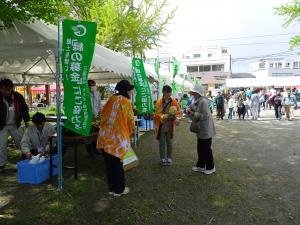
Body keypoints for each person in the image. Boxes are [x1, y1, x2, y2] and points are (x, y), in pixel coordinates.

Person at [97, 79, 135, 197]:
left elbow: (103, 114)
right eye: (130, 90)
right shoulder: (126, 102)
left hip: (105, 136)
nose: (131, 92)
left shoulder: (111, 99)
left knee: (109, 164)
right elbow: (131, 121)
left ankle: (112, 188)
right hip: (117, 139)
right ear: (127, 90)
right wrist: (131, 131)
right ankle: (119, 189)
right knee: (118, 164)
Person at [0, 79, 30, 173]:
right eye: (4, 89)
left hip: (15, 124)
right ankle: (1, 164)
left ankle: (27, 159)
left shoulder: (18, 96)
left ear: (12, 88)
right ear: (1, 88)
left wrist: (26, 121)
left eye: (9, 89)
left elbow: (24, 109)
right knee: (1, 145)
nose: (7, 91)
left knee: (22, 141)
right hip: (1, 126)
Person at [187, 84, 216, 175]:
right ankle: (200, 166)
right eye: (192, 92)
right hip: (201, 129)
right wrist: (189, 111)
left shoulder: (203, 101)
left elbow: (204, 116)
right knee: (200, 148)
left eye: (194, 92)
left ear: (198, 93)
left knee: (206, 149)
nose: (193, 94)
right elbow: (193, 111)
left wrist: (192, 113)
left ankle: (211, 167)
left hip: (206, 129)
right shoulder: (197, 100)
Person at [154, 85, 181, 166]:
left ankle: (169, 158)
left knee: (169, 142)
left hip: (170, 125)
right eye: (167, 92)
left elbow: (178, 111)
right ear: (163, 92)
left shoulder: (174, 101)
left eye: (170, 92)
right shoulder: (159, 101)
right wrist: (162, 116)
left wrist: (176, 118)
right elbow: (156, 113)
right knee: (162, 142)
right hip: (161, 125)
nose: (169, 94)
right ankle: (162, 158)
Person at [86, 80, 102, 157]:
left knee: (96, 134)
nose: (93, 87)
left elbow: (99, 104)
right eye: (92, 85)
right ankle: (90, 151)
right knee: (88, 135)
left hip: (96, 117)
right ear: (88, 86)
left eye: (94, 85)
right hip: (88, 118)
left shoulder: (97, 93)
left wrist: (99, 114)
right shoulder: (85, 94)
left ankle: (95, 149)